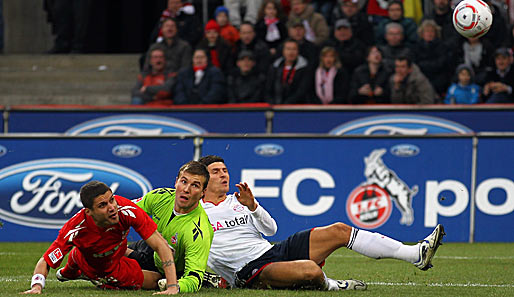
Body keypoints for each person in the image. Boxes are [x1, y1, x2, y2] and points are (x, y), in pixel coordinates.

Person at [198, 155, 445, 290]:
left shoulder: (239, 200)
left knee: (339, 230)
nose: (224, 175)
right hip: (248, 271)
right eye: (217, 171)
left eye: (225, 170)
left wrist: (253, 206)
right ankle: (333, 285)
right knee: (311, 271)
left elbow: (271, 229)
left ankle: (415, 253)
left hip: (274, 251)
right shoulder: (196, 212)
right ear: (203, 179)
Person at [21, 181, 178, 294]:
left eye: (112, 200)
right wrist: (36, 286)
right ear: (89, 212)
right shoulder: (76, 228)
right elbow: (46, 260)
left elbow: (161, 245)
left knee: (160, 279)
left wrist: (172, 286)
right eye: (102, 205)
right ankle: (77, 270)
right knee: (154, 281)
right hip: (100, 266)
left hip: (118, 255)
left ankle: (72, 269)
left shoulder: (127, 210)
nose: (112, 208)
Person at [127, 161, 214, 293]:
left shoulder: (199, 231)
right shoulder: (160, 197)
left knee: (118, 270)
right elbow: (126, 211)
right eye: (184, 182)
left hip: (166, 268)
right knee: (108, 249)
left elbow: (194, 278)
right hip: (149, 247)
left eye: (195, 185)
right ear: (176, 182)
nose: (186, 189)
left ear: (203, 192)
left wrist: (176, 286)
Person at [265, 39, 314, 104]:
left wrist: (286, 104)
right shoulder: (274, 67)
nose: (291, 52)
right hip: (276, 107)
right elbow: (268, 89)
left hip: (296, 107)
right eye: (288, 49)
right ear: (283, 51)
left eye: (294, 49)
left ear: (298, 51)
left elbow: (301, 91)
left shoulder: (305, 68)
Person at [411, 19, 450, 96]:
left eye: (432, 31)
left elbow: (441, 63)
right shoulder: (416, 47)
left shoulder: (442, 47)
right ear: (422, 33)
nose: (429, 34)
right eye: (427, 31)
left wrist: (425, 64)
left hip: (438, 78)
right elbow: (416, 64)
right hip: (421, 76)